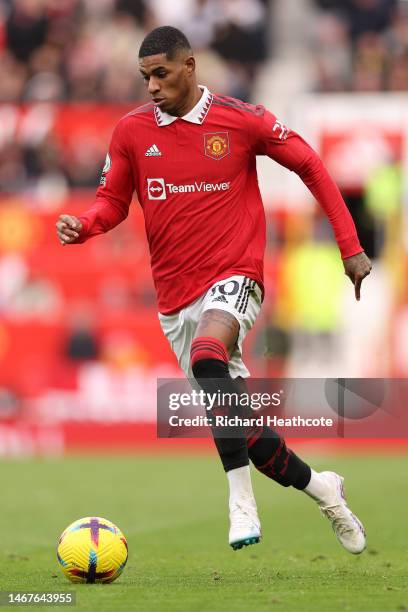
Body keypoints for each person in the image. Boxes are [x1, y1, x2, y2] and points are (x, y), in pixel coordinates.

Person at [56, 26, 372, 553]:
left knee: (209, 357)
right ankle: (325, 489)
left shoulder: (241, 119)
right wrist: (85, 224)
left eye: (161, 74)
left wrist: (350, 245)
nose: (152, 86)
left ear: (190, 66)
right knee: (247, 433)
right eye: (145, 78)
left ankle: (238, 501)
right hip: (175, 297)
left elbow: (310, 165)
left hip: (235, 275)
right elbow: (112, 202)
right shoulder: (131, 132)